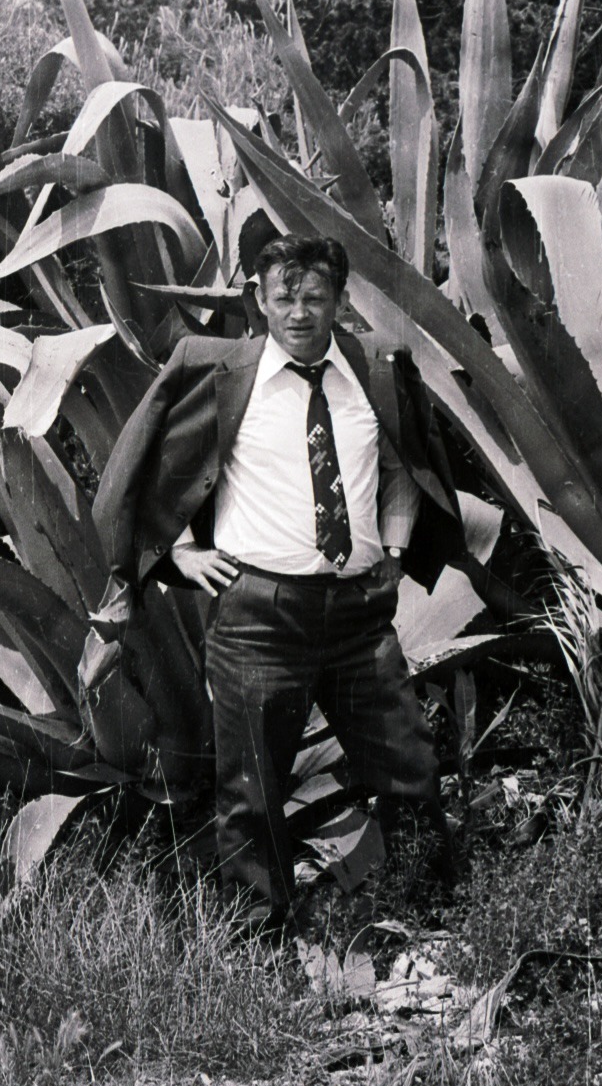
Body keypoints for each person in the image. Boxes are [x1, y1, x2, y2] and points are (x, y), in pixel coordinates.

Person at [89, 234, 464, 928]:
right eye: (283, 297)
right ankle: (261, 943)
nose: (299, 312)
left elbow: (402, 472)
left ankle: (427, 922)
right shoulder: (215, 373)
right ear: (259, 300)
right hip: (259, 619)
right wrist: (177, 558)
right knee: (253, 792)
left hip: (358, 619)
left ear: (340, 302)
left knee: (409, 767)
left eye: (315, 297)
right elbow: (139, 473)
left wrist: (394, 546)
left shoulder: (375, 369)